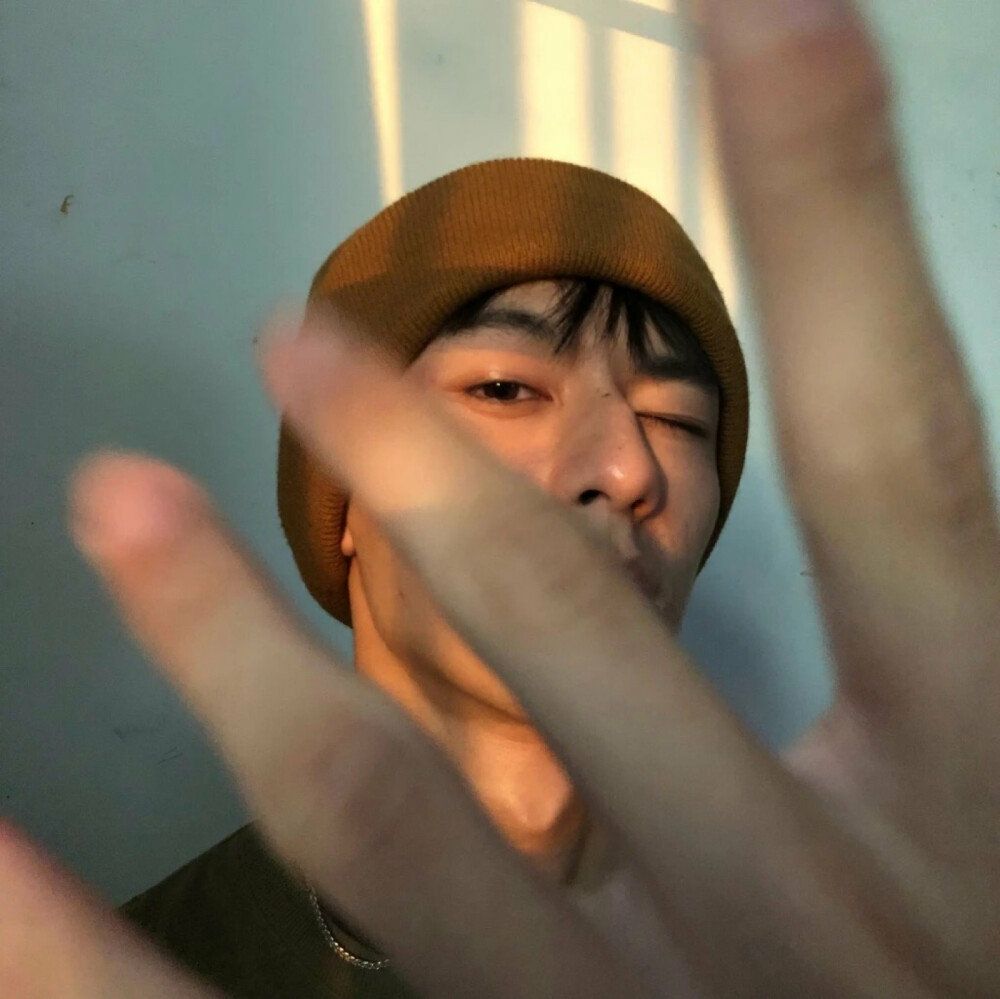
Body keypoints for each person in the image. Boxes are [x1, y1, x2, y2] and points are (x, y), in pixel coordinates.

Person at [3, 1, 998, 997]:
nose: (628, 468)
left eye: (676, 420)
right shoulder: (131, 963)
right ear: (341, 498)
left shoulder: (842, 951)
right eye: (506, 388)